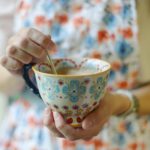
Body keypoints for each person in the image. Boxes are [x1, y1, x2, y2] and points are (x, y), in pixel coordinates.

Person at [0, 0, 150, 149]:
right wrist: (20, 67)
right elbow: (4, 82)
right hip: (29, 136)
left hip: (120, 138)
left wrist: (118, 102)